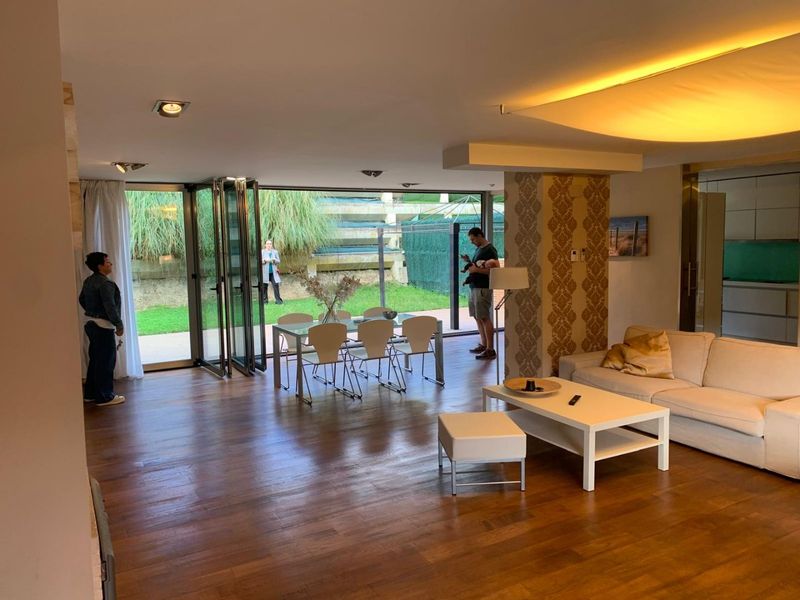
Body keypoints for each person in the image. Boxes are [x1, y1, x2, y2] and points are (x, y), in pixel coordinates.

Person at [79, 252, 125, 406]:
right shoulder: (105, 283)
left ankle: (91, 394)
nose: (110, 264)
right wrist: (119, 324)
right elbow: (110, 306)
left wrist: (92, 311)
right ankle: (105, 397)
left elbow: (81, 299)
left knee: (95, 360)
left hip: (90, 324)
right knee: (106, 361)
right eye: (107, 262)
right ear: (100, 266)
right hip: (103, 326)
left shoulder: (89, 281)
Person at [461, 227, 499, 360]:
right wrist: (469, 262)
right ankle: (483, 345)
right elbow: (477, 266)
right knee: (477, 317)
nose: (472, 242)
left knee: (484, 317)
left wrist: (476, 270)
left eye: (473, 239)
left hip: (483, 288)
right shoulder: (479, 249)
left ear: (479, 236)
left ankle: (490, 348)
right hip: (474, 287)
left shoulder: (490, 250)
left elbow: (494, 270)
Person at [261, 240, 283, 304]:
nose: (269, 245)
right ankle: (265, 301)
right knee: (264, 286)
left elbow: (278, 261)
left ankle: (278, 300)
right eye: (267, 244)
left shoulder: (275, 252)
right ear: (265, 245)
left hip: (273, 272)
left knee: (275, 285)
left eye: (270, 244)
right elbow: (259, 260)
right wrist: (265, 261)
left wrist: (274, 260)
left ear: (271, 245)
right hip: (265, 272)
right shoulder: (262, 252)